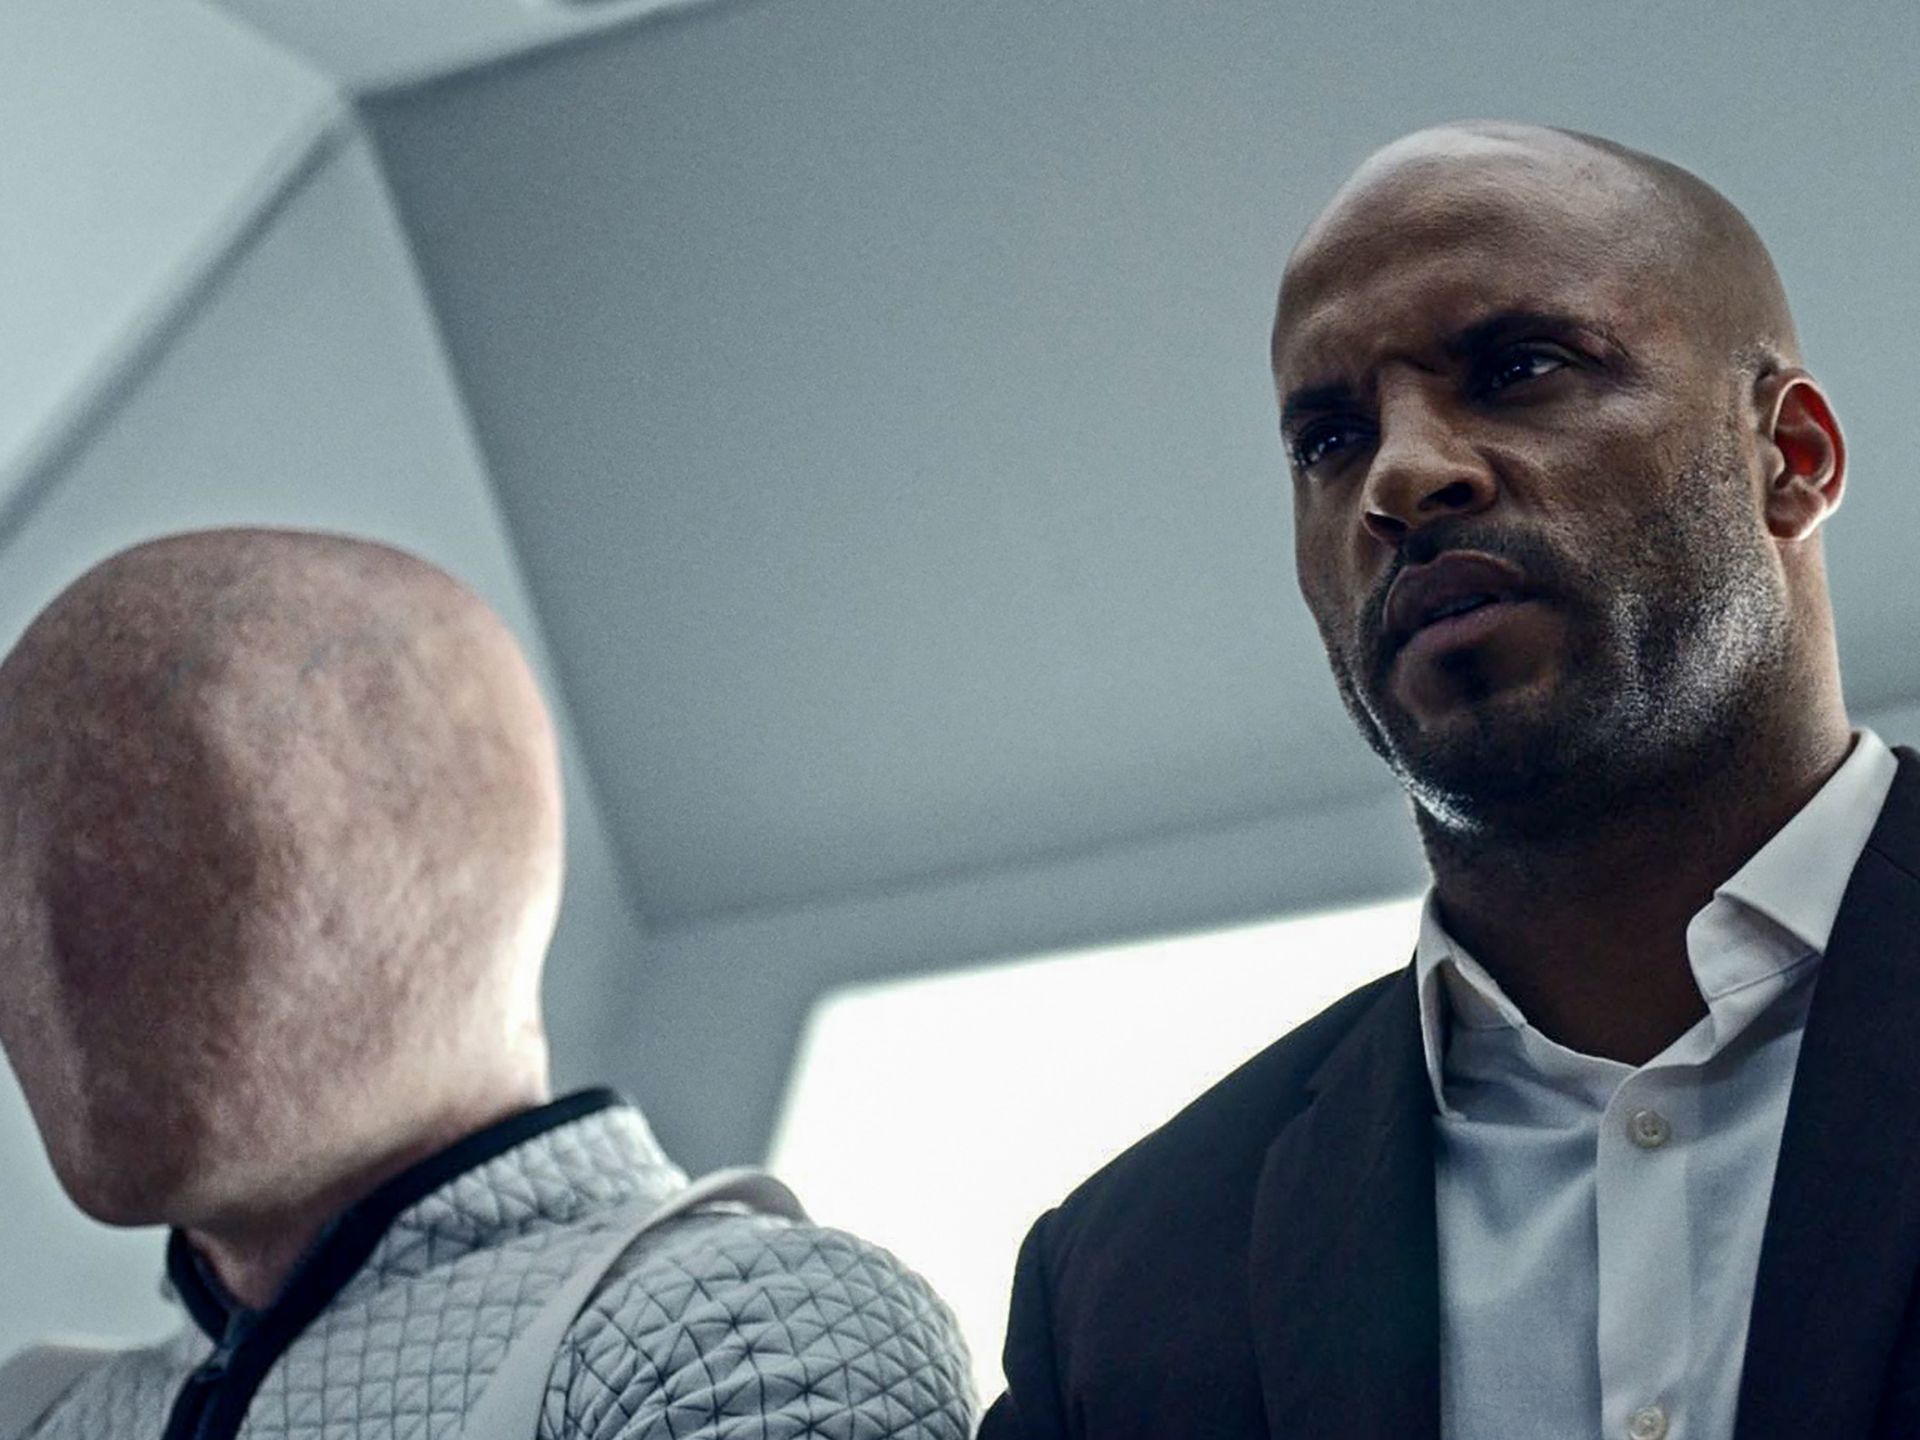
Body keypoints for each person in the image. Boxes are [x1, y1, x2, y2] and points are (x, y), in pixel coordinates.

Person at [980, 121, 1920, 1439]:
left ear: (1792, 460)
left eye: (1519, 368)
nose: (1404, 476)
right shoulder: (1118, 1292)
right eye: (1330, 437)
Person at [0, 528, 973, 1439]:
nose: (44, 943)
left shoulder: (739, 1326)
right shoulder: (46, 1408)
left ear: (442, 867)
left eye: (164, 837)